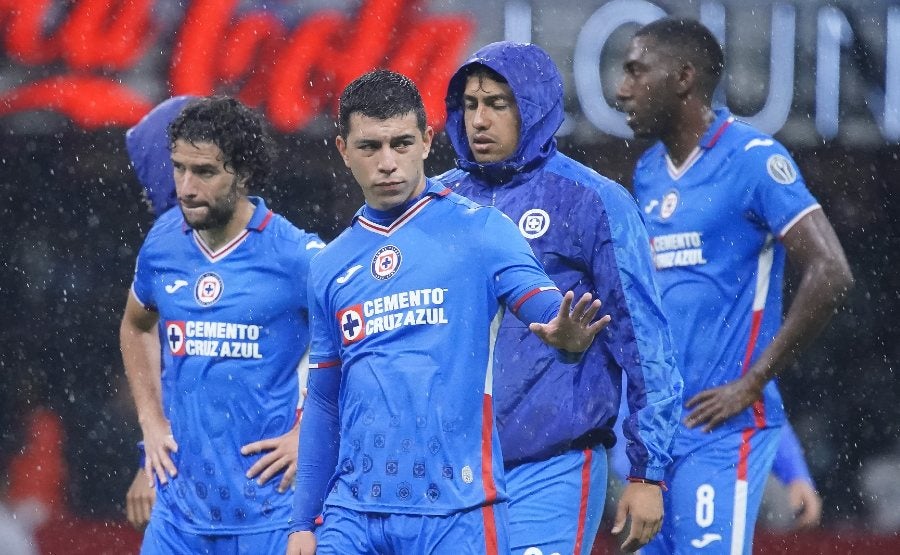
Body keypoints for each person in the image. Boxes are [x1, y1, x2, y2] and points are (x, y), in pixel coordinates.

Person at [287, 69, 610, 555]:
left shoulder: (482, 231)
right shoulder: (330, 265)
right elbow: (325, 400)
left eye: (401, 143)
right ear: (342, 150)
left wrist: (566, 337)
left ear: (427, 141)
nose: (388, 162)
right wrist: (302, 523)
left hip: (456, 513)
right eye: (371, 147)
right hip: (351, 517)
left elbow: (544, 307)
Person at [435, 41, 683, 554]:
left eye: (499, 103)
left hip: (551, 469)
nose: (480, 119)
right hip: (445, 472)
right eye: (470, 104)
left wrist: (648, 473)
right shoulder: (434, 202)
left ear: (536, 105)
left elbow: (646, 345)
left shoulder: (595, 202)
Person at [616, 18, 853, 554]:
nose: (620, 88)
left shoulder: (754, 160)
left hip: (723, 434)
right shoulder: (649, 172)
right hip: (656, 442)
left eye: (635, 70)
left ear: (682, 77)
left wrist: (753, 382)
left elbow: (831, 269)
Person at [119, 95, 325, 553]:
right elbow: (135, 327)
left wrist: (307, 435)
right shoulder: (163, 242)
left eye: (205, 172)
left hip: (269, 518)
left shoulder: (296, 256)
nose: (186, 187)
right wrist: (151, 425)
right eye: (179, 168)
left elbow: (360, 344)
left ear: (244, 174)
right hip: (177, 520)